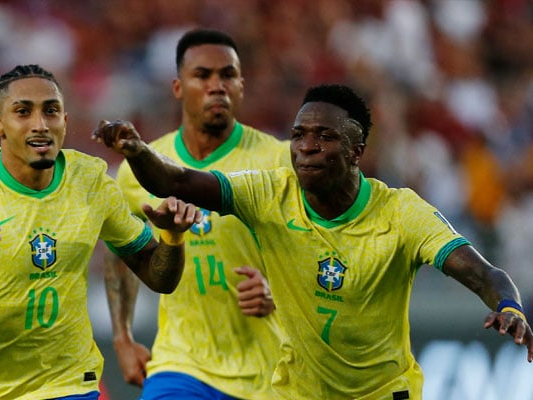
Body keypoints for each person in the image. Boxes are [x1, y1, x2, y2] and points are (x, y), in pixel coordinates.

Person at [92, 83, 533, 399]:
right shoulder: (270, 194)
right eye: (300, 135)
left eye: (325, 137)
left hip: (379, 392)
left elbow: (479, 270)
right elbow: (179, 180)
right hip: (296, 391)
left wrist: (508, 305)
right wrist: (136, 150)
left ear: (357, 151)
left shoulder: (400, 213)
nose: (306, 147)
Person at [0, 64, 202, 400]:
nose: (40, 124)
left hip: (71, 385)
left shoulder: (91, 182)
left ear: (65, 121)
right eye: (22, 112)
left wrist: (172, 237)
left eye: (51, 111)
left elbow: (160, 278)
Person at [104, 29, 289, 400]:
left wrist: (279, 295)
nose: (217, 85)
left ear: (241, 85)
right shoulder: (139, 168)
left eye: (228, 75)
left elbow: (315, 249)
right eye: (203, 75)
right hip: (181, 363)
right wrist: (123, 338)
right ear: (177, 87)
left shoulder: (279, 161)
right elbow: (122, 253)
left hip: (271, 371)